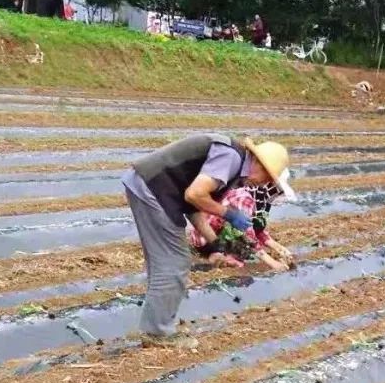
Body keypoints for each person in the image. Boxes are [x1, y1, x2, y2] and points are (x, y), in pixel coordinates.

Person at [121, 134, 296, 346]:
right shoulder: (231, 157)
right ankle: (157, 333)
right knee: (174, 261)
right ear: (258, 163)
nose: (263, 184)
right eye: (267, 178)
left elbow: (194, 207)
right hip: (153, 187)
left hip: (150, 185)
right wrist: (228, 213)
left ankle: (155, 325)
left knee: (166, 261)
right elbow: (194, 195)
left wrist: (216, 246)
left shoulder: (233, 169)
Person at [187, 182, 293, 271]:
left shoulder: (261, 201)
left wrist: (280, 249)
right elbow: (248, 236)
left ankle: (224, 255)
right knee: (240, 260)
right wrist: (273, 263)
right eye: (278, 192)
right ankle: (217, 256)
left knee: (243, 250)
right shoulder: (245, 198)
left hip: (221, 234)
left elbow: (257, 229)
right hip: (206, 238)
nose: (278, 196)